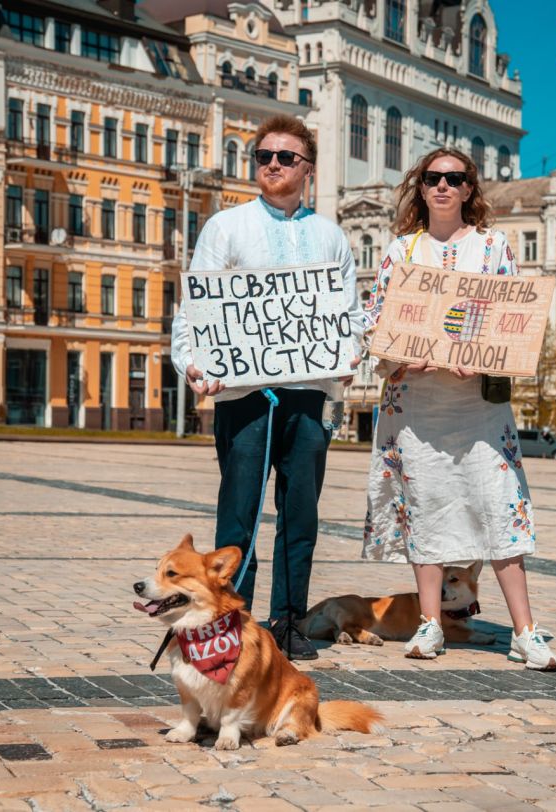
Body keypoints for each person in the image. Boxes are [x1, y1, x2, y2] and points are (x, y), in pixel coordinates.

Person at [171, 115, 363, 660]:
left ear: (308, 169)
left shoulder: (330, 237)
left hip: (308, 392)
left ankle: (288, 621)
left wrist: (349, 356)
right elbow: (197, 311)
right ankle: (231, 620)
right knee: (240, 514)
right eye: (264, 156)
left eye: (285, 157)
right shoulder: (225, 228)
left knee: (300, 514)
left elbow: (347, 315)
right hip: (244, 396)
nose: (273, 165)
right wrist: (192, 363)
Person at [362, 147, 556, 671]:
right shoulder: (401, 251)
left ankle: (525, 631)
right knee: (425, 505)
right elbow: (374, 323)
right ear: (421, 188)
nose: (443, 186)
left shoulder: (494, 246)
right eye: (433, 178)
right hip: (416, 406)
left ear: (469, 188)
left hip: (477, 408)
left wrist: (487, 361)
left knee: (499, 504)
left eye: (454, 178)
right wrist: (403, 359)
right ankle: (431, 625)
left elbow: (514, 318)